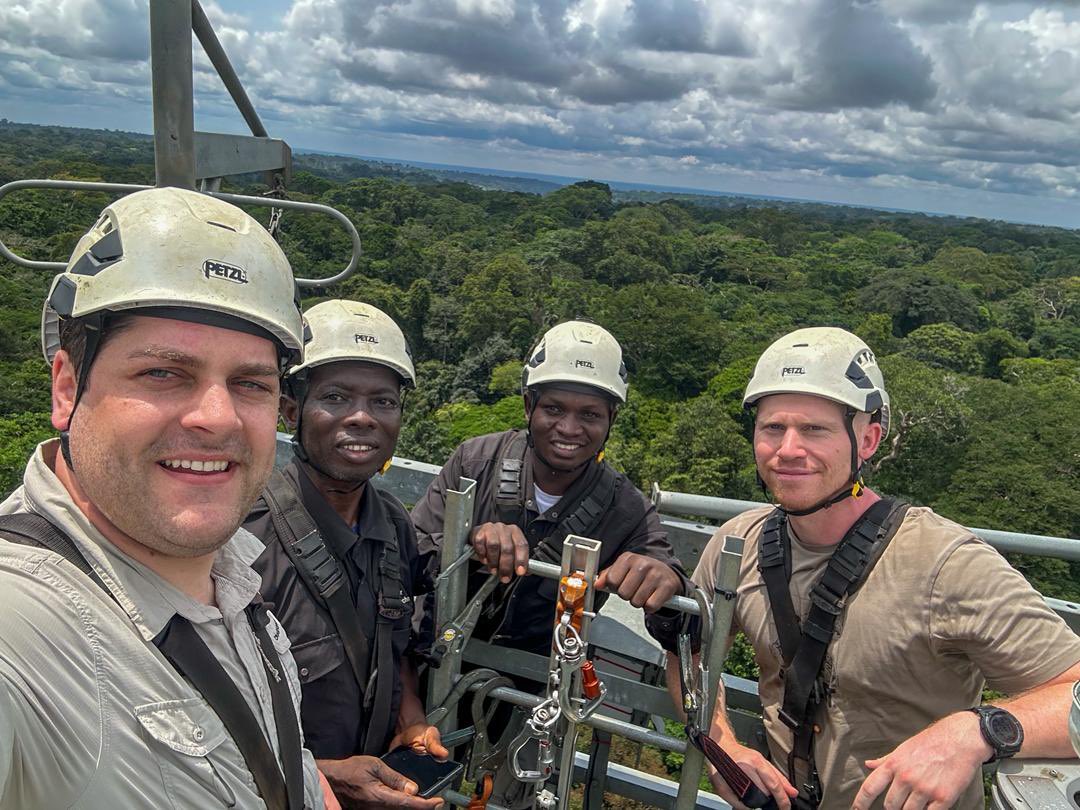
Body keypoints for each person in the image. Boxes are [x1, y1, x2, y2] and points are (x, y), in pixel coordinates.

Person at [0, 187, 338, 808]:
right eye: (163, 372)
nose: (218, 417)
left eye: (250, 384)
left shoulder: (236, 581)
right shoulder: (22, 623)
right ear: (68, 389)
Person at [678, 327, 1080, 810]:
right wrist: (721, 741)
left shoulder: (942, 564)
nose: (787, 449)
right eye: (772, 428)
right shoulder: (737, 543)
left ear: (867, 440)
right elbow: (691, 653)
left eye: (814, 429)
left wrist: (977, 730)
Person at [245, 299, 445, 809]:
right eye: (335, 397)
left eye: (383, 402)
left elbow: (393, 644)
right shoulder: (243, 534)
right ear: (291, 410)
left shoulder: (395, 525)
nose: (362, 418)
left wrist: (412, 722)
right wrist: (323, 777)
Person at [412, 319, 691, 660]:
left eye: (589, 415)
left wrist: (667, 587)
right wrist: (469, 543)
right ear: (529, 406)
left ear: (611, 420)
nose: (569, 429)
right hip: (430, 660)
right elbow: (407, 560)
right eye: (554, 409)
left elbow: (687, 622)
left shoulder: (627, 510)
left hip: (529, 689)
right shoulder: (475, 464)